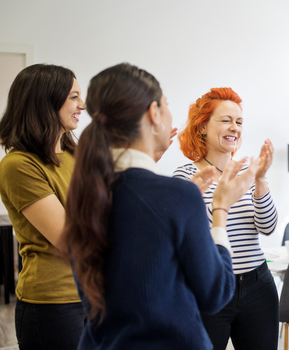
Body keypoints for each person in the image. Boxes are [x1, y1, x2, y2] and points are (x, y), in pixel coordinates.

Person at [62, 63, 260, 349]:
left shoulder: (85, 193)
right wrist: (220, 211)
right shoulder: (176, 195)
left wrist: (183, 199)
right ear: (154, 113)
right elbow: (216, 293)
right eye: (166, 105)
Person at [174, 87, 278, 350]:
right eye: (225, 120)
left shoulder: (249, 170)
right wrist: (222, 202)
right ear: (202, 127)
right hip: (209, 288)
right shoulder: (186, 175)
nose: (235, 127)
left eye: (239, 122)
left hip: (258, 286)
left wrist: (261, 179)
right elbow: (187, 234)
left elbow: (267, 227)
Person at [0, 64, 86, 349]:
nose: (81, 105)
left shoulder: (76, 155)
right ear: (46, 99)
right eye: (74, 96)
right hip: (53, 304)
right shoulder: (19, 165)